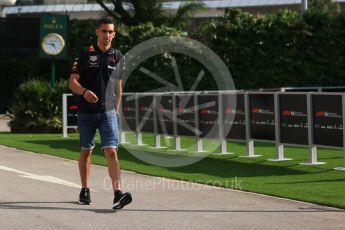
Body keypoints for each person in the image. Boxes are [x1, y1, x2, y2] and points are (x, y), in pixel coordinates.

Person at [69, 18, 132, 209]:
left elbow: (119, 87)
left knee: (111, 151)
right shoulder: (84, 54)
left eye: (110, 32)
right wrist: (84, 92)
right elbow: (72, 82)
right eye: (103, 31)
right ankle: (85, 189)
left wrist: (116, 109)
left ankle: (118, 194)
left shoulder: (118, 56)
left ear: (114, 34)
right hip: (86, 113)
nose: (106, 35)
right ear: (97, 32)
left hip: (108, 113)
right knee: (86, 150)